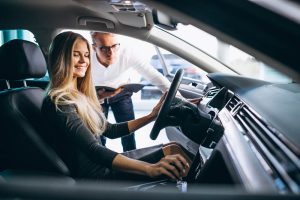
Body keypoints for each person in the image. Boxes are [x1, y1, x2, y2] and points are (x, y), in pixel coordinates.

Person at [42, 31, 191, 181]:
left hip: (102, 165)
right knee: (173, 153)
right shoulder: (60, 102)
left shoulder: (79, 96)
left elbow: (110, 130)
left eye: (86, 55)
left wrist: (151, 116)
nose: (84, 61)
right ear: (61, 58)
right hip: (97, 177)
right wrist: (149, 168)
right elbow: (94, 150)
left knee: (173, 148)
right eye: (75, 54)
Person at [90, 32, 171, 152]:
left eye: (114, 46)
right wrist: (97, 96)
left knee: (129, 132)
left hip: (121, 93)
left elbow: (153, 76)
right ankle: (104, 160)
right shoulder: (87, 57)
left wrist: (177, 97)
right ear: (94, 47)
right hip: (96, 95)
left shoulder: (128, 53)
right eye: (104, 48)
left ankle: (131, 157)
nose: (111, 52)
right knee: (99, 134)